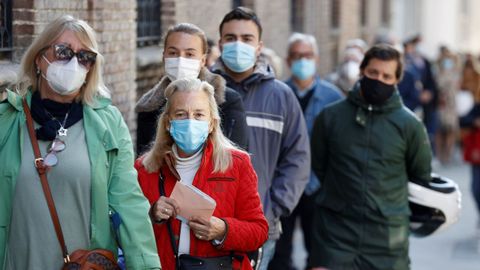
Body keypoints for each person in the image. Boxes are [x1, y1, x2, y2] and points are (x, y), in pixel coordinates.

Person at [0, 15, 160, 269]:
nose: (74, 62)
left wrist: (147, 265)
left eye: (85, 57)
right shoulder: (7, 119)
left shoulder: (107, 122)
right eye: (63, 52)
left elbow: (129, 203)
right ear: (39, 59)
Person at [310, 44, 432, 270]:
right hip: (336, 234)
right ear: (362, 71)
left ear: (396, 81)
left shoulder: (410, 125)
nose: (379, 80)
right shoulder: (331, 117)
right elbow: (319, 165)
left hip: (387, 239)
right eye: (373, 73)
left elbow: (421, 176)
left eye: (387, 76)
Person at [211, 7, 311, 270]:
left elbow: (298, 158)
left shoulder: (281, 96)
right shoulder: (203, 91)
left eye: (247, 38)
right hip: (206, 225)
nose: (238, 44)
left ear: (259, 46)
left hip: (260, 229)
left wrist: (273, 208)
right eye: (230, 38)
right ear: (220, 43)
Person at [136, 78, 268, 270]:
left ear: (212, 123)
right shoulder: (144, 169)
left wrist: (223, 230)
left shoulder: (237, 164)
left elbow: (259, 231)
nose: (190, 122)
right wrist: (152, 215)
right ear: (167, 123)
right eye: (181, 114)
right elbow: (127, 232)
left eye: (199, 115)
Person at [268, 32, 343, 270]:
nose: (303, 61)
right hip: (284, 184)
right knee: (280, 252)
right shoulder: (277, 93)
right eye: (298, 56)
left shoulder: (333, 97)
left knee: (318, 252)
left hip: (317, 186)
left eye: (308, 55)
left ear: (317, 59)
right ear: (289, 61)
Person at [135, 23, 248, 155]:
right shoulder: (148, 107)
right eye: (173, 53)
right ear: (163, 57)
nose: (180, 60)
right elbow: (144, 161)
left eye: (189, 54)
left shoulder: (227, 101)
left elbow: (237, 158)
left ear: (203, 60)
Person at [434, 45, 460, 165]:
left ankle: (448, 155)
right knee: (439, 130)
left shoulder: (456, 72)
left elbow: (458, 87)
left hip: (452, 105)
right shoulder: (436, 71)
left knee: (450, 130)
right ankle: (439, 155)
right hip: (440, 104)